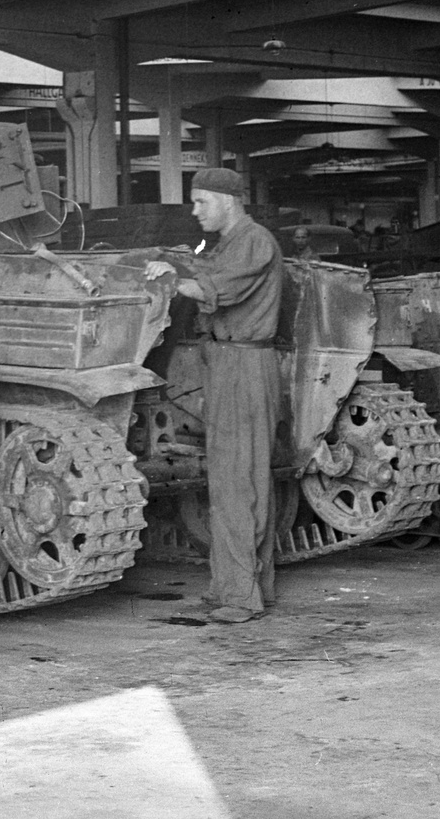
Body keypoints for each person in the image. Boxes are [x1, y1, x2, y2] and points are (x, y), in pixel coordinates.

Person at [145, 168, 283, 625]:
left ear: (228, 199)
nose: (195, 210)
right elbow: (210, 269)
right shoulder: (227, 243)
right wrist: (178, 264)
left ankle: (241, 597)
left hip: (243, 365)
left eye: (202, 201)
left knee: (236, 478)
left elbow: (219, 287)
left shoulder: (254, 240)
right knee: (235, 478)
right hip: (228, 362)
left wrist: (171, 279)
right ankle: (239, 587)